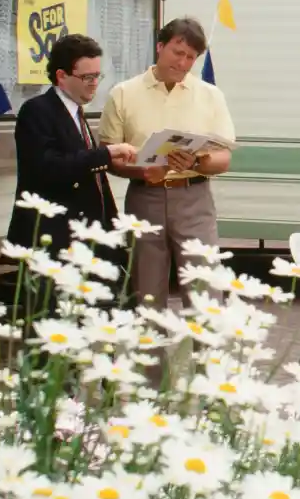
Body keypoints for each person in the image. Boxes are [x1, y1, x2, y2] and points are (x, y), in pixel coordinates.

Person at [98, 17, 235, 309]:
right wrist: (140, 170)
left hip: (194, 199)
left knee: (205, 292)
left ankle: (207, 356)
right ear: (160, 46)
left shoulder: (210, 96)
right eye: (178, 53)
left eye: (191, 58)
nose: (183, 63)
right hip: (144, 197)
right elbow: (108, 156)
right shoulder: (123, 94)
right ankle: (151, 354)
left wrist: (197, 162)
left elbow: (224, 158)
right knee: (147, 293)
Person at [3, 34, 138, 281]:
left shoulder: (77, 113)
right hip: (55, 239)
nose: (95, 83)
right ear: (61, 76)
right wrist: (105, 154)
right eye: (87, 77)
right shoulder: (38, 110)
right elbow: (47, 168)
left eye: (98, 76)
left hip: (88, 237)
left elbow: (88, 171)